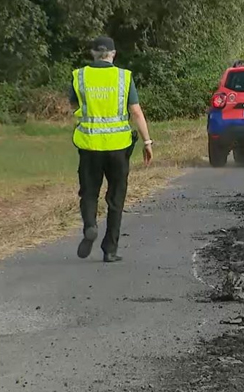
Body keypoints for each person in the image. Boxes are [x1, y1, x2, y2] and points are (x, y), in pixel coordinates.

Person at [69, 36, 154, 263]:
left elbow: (75, 106)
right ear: (113, 54)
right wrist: (147, 142)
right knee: (116, 198)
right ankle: (110, 249)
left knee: (89, 192)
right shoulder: (123, 77)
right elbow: (135, 111)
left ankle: (90, 226)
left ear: (93, 53)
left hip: (89, 146)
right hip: (119, 148)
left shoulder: (80, 76)